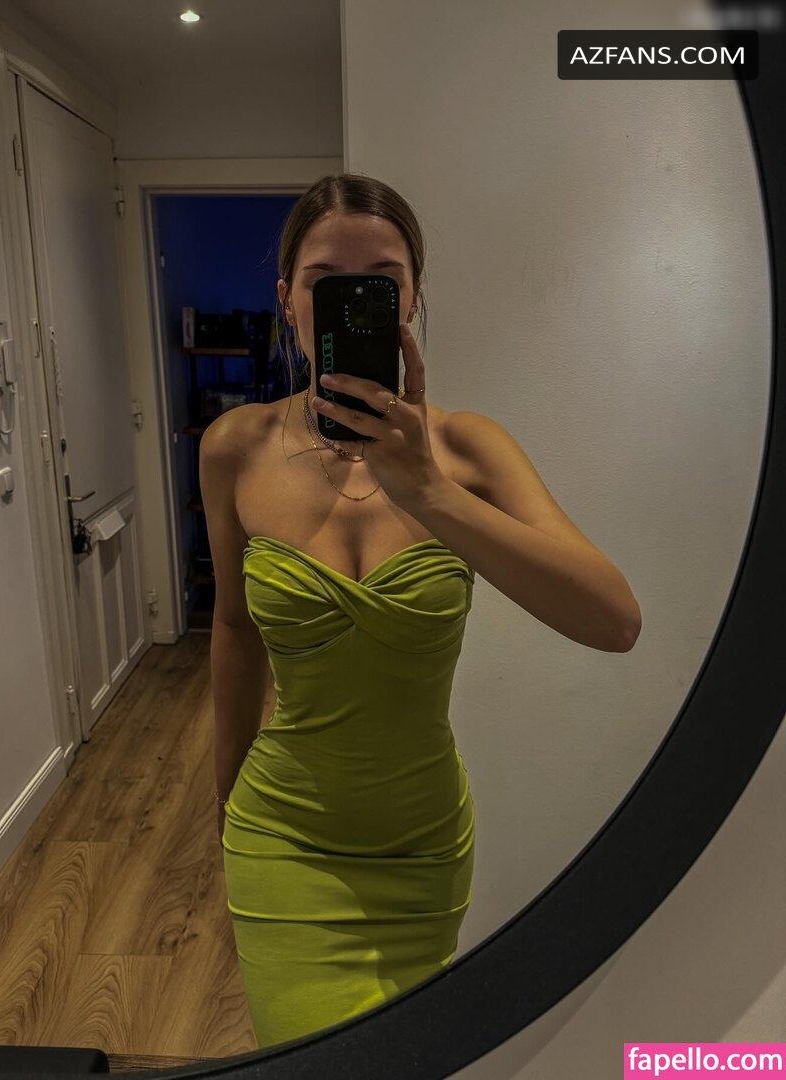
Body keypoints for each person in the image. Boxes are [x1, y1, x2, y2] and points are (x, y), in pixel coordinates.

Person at [199, 172, 641, 1048]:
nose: (351, 301)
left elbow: (613, 620)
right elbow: (235, 630)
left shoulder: (469, 450)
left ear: (411, 300)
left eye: (380, 282)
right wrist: (225, 806)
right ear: (287, 299)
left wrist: (431, 492)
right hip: (283, 835)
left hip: (423, 847)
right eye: (325, 281)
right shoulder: (235, 448)